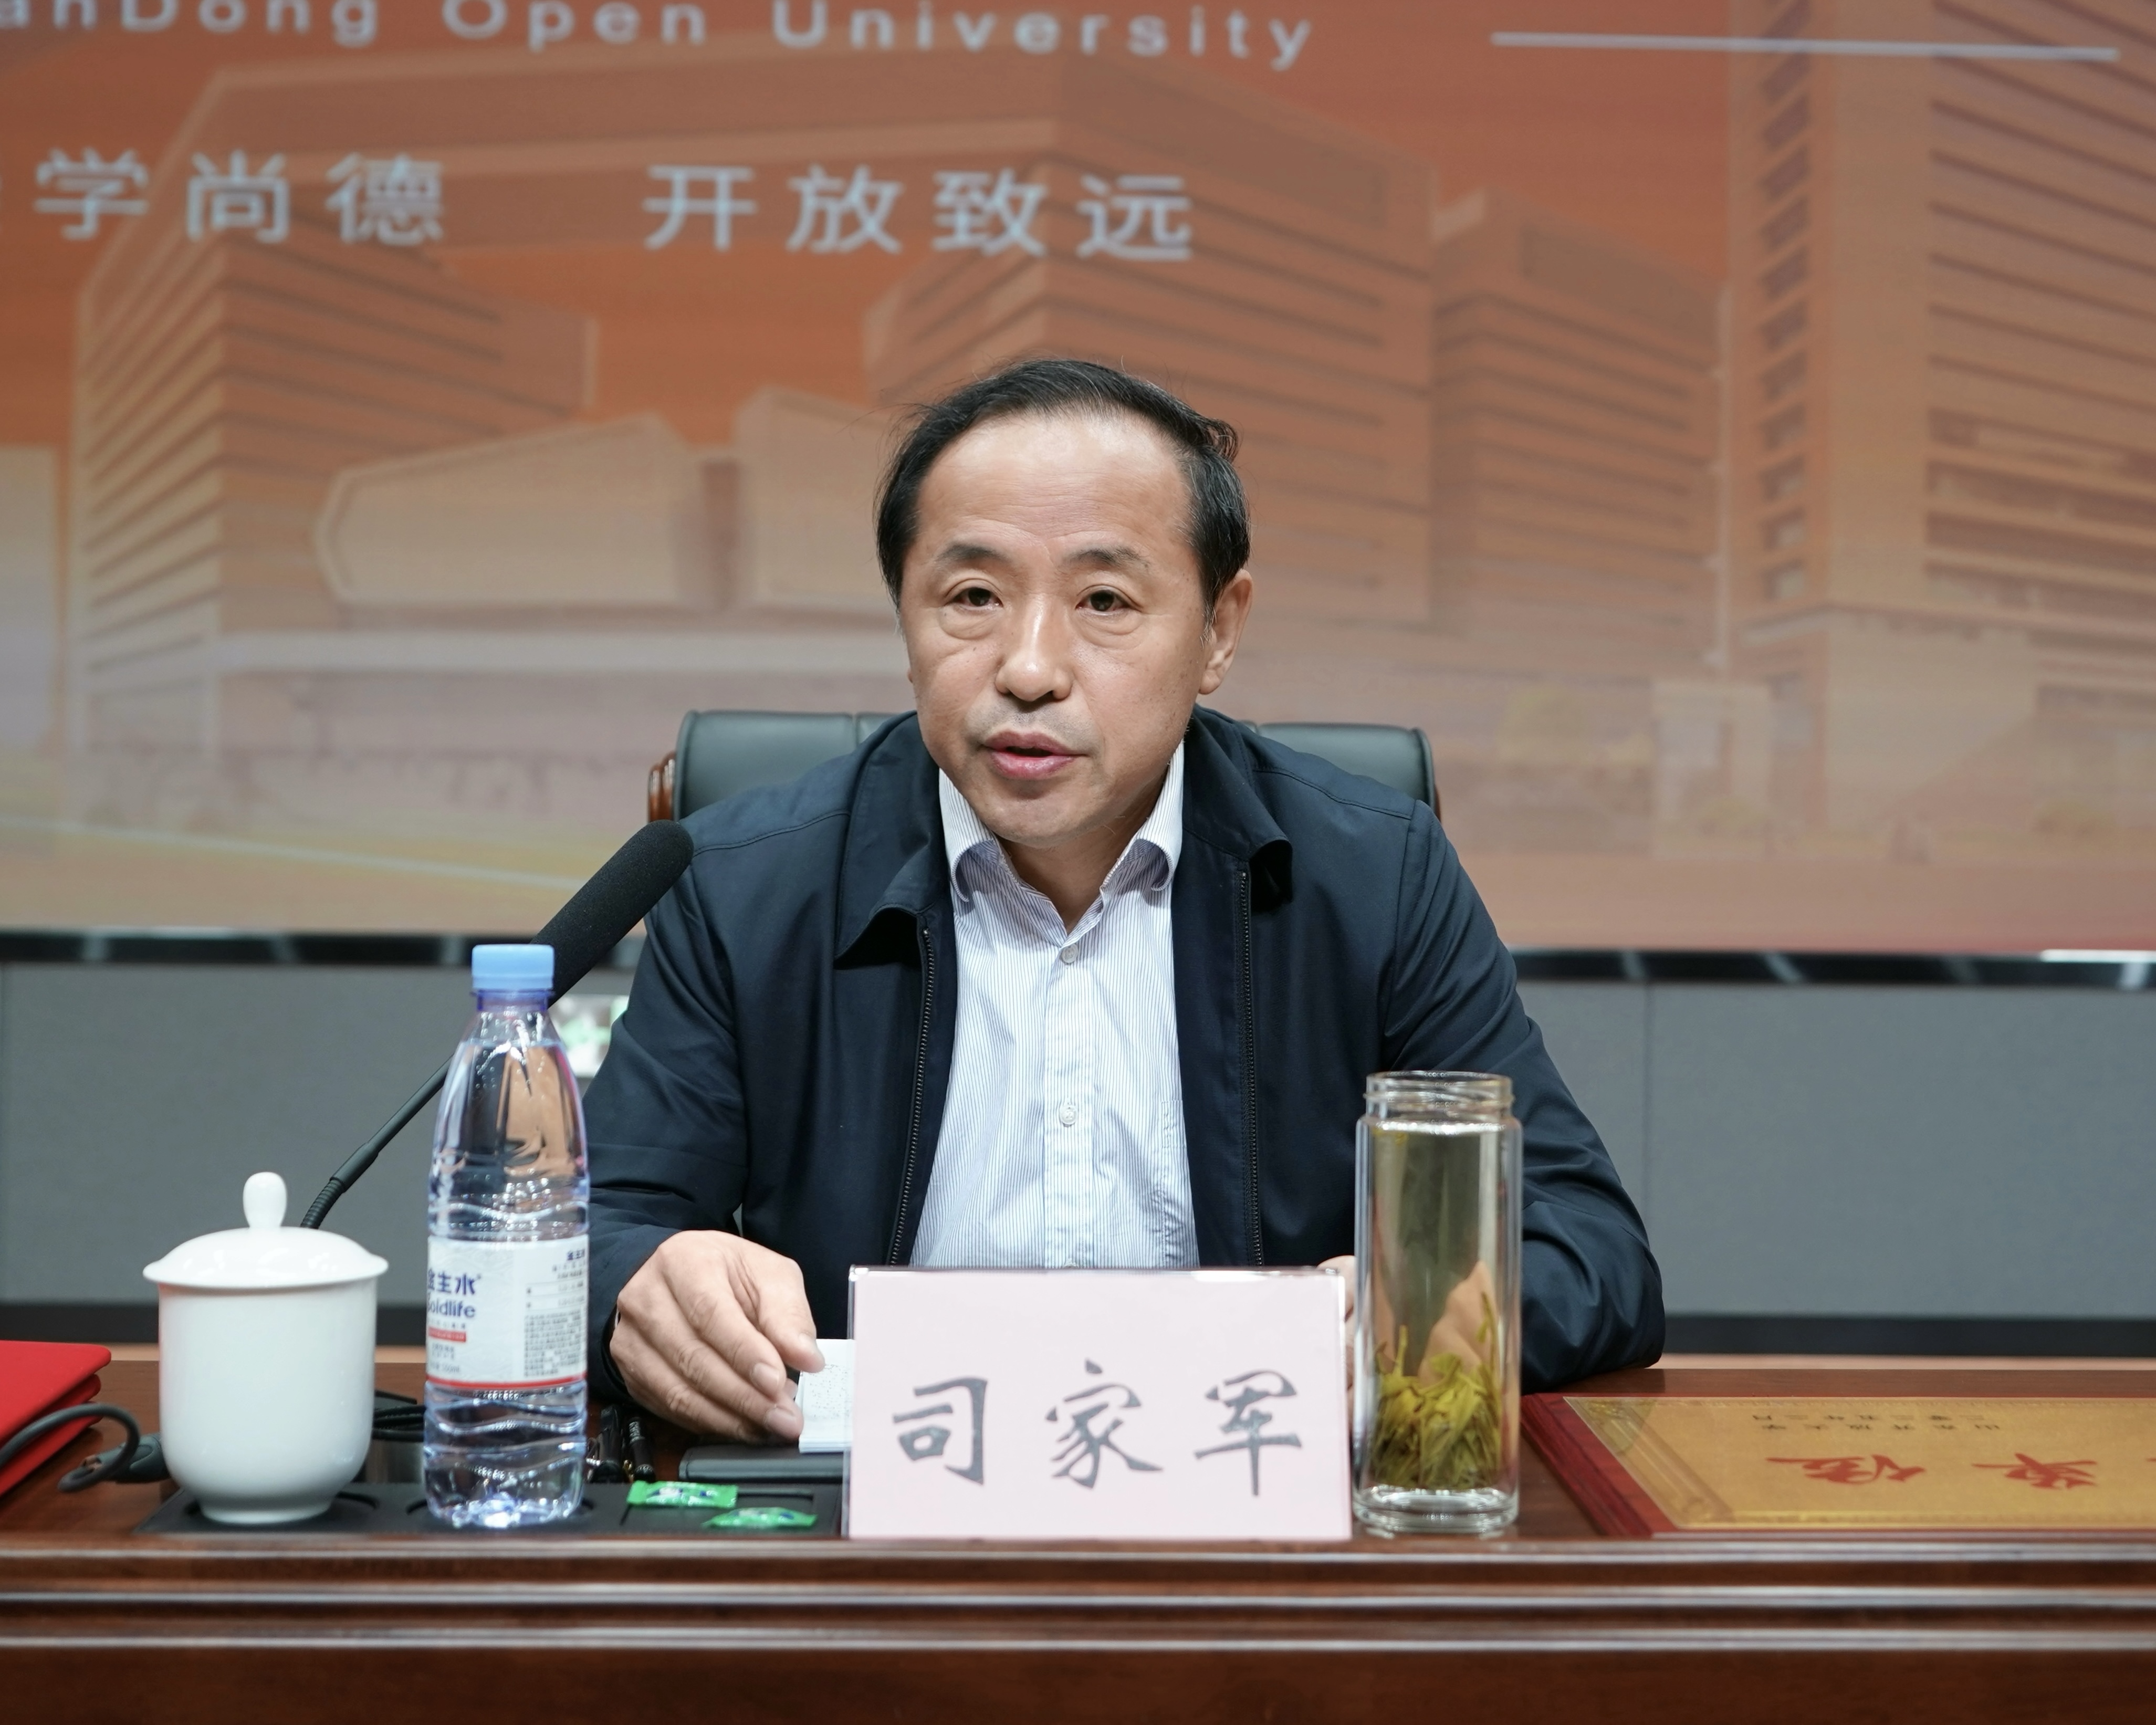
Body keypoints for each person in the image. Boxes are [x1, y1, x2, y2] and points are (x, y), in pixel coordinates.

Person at [583, 358, 1662, 1442]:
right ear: (903, 619)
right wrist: (641, 1282)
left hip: (1249, 1498)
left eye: (1104, 601)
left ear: (1219, 630)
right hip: (872, 1506)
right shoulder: (744, 884)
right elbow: (598, 1233)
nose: (1029, 669)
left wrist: (1409, 1312)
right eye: (972, 597)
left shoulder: (1373, 877)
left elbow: (1587, 1248)